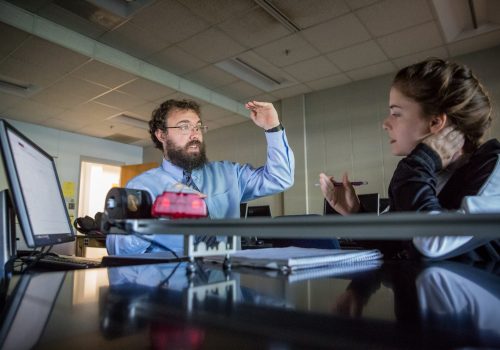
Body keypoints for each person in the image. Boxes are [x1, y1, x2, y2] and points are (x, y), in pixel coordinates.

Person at [319, 58, 500, 261]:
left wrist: (419, 162)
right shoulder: (425, 171)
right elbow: (393, 242)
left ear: (435, 122)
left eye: (396, 113)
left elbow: (431, 244)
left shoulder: (493, 168)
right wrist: (355, 214)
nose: (386, 124)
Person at [107, 99, 294, 255]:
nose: (195, 134)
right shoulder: (141, 187)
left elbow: (280, 178)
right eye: (184, 127)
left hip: (226, 287)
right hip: (168, 291)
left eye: (198, 127)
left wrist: (272, 128)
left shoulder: (229, 174)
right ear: (161, 135)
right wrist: (157, 215)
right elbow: (117, 250)